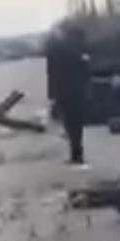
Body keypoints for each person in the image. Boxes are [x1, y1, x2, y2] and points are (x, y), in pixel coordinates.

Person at [44, 21, 90, 167]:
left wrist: (51, 93)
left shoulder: (56, 50)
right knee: (76, 123)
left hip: (64, 90)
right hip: (76, 89)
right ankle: (77, 152)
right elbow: (84, 69)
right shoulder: (76, 49)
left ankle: (76, 154)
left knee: (71, 123)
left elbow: (51, 73)